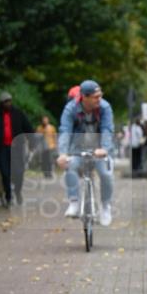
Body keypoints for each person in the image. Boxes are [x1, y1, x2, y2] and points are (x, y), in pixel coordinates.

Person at [56, 80, 115, 226]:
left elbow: (107, 129)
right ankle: (74, 202)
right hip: (78, 149)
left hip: (99, 149)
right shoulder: (71, 109)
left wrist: (104, 148)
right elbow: (65, 131)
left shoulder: (105, 107)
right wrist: (63, 153)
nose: (99, 99)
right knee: (70, 166)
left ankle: (105, 207)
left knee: (106, 174)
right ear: (85, 97)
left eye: (100, 95)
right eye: (96, 97)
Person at [0, 91, 34, 205]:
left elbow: (28, 128)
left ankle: (17, 191)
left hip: (17, 148)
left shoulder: (18, 114)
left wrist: (32, 142)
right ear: (1, 103)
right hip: (2, 149)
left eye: (9, 101)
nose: (8, 103)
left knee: (19, 172)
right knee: (5, 173)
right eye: (5, 102)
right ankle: (8, 196)